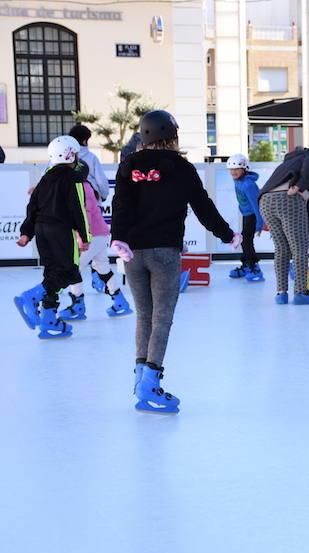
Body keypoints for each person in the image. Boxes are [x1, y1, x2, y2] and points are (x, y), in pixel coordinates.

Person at [111, 110, 240, 414]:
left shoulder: (128, 164)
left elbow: (121, 204)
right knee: (162, 318)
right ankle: (150, 384)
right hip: (165, 253)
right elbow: (203, 206)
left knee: (144, 315)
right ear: (171, 136)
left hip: (133, 252)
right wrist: (226, 234)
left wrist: (119, 238)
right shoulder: (180, 167)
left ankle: (140, 377)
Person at [13, 136, 91, 339]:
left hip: (41, 231)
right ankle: (30, 297)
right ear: (72, 155)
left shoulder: (45, 178)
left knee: (52, 273)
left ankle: (49, 320)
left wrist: (26, 233)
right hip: (61, 231)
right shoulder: (73, 179)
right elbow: (78, 210)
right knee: (68, 272)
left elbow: (33, 207)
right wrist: (84, 236)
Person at [57, 169, 133, 321]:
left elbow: (86, 214)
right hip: (100, 234)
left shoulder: (82, 188)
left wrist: (83, 238)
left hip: (93, 236)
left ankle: (77, 305)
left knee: (74, 268)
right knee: (102, 267)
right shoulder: (86, 186)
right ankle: (120, 301)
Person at [258, 146, 309, 305]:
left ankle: (281, 293)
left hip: (265, 201)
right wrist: (299, 186)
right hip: (288, 199)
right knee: (299, 247)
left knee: (281, 248)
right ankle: (301, 292)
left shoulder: (285, 164)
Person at [226, 153, 265, 282]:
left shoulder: (248, 185)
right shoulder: (238, 181)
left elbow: (257, 204)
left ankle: (254, 267)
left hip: (253, 215)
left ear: (244, 169)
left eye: (237, 169)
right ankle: (247, 264)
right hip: (246, 214)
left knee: (246, 241)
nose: (233, 172)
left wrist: (260, 223)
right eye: (231, 169)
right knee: (244, 239)